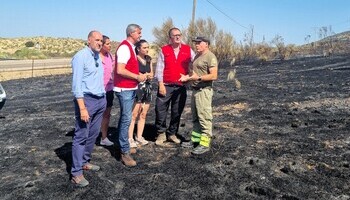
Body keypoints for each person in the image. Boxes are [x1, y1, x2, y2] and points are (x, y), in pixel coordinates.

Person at [70, 30, 106, 187]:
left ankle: (85, 162)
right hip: (87, 101)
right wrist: (82, 108)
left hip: (100, 100)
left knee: (93, 134)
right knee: (81, 136)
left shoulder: (97, 56)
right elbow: (76, 85)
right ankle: (76, 173)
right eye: (97, 40)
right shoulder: (81, 57)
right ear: (89, 40)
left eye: (101, 41)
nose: (100, 43)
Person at [154, 27, 195, 146]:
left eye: (179, 35)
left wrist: (191, 75)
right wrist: (160, 84)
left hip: (181, 86)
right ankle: (161, 133)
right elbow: (159, 69)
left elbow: (196, 61)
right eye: (175, 35)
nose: (178, 37)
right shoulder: (164, 50)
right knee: (160, 110)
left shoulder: (188, 49)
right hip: (166, 85)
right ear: (170, 38)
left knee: (177, 111)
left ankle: (172, 133)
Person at [113, 24, 147, 167]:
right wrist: (137, 77)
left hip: (130, 88)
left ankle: (125, 146)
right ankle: (124, 152)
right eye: (139, 33)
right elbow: (120, 70)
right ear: (132, 33)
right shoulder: (124, 48)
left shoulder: (130, 48)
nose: (140, 35)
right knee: (126, 118)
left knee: (126, 118)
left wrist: (137, 76)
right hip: (124, 89)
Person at [179, 36, 218, 155]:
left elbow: (214, 76)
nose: (196, 45)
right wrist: (188, 77)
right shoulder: (197, 56)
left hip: (204, 91)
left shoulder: (210, 56)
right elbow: (195, 73)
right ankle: (195, 140)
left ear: (206, 44)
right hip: (195, 90)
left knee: (205, 118)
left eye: (199, 43)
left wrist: (199, 78)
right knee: (196, 118)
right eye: (195, 43)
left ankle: (205, 144)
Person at [128, 39, 154, 148]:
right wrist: (141, 75)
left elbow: (152, 73)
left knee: (143, 114)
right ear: (138, 48)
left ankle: (139, 136)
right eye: (144, 47)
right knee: (134, 114)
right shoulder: (134, 59)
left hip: (147, 87)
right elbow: (134, 73)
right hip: (137, 87)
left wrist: (149, 75)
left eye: (148, 47)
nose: (147, 49)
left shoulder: (149, 59)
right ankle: (130, 138)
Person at [99, 35, 115, 146]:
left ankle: (103, 137)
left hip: (109, 89)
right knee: (94, 115)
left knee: (107, 114)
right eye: (108, 44)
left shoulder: (110, 56)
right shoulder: (95, 57)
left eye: (110, 43)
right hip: (98, 90)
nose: (110, 46)